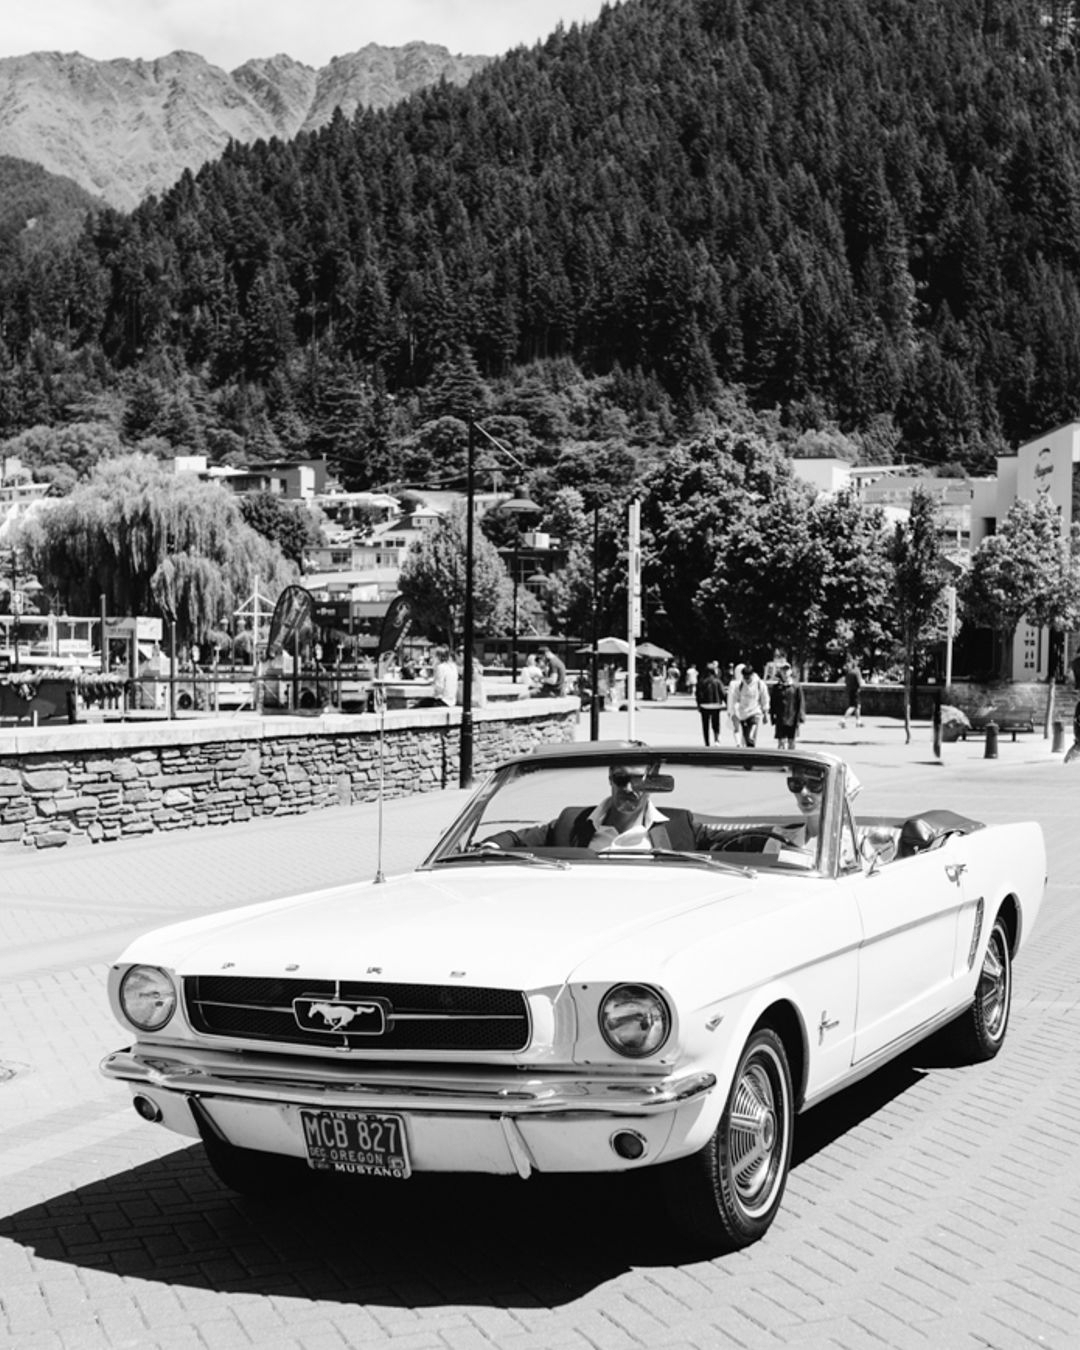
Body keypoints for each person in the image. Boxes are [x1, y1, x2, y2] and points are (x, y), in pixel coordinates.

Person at [482, 762, 707, 852]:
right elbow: (517, 839)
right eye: (621, 779)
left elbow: (724, 841)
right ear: (610, 778)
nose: (628, 788)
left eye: (637, 780)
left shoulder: (679, 826)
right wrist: (488, 849)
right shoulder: (572, 822)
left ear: (652, 782)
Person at [729, 661, 770, 747]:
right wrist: (733, 712)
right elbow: (734, 699)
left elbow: (765, 698)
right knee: (747, 739)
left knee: (752, 736)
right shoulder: (739, 685)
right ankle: (748, 747)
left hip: (755, 712)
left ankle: (751, 737)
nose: (747, 680)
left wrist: (765, 713)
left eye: (748, 678)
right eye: (745, 678)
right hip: (743, 714)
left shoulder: (759, 684)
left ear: (752, 675)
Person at [770, 662, 805, 750]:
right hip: (780, 718)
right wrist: (772, 716)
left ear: (790, 672)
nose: (785, 673)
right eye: (783, 670)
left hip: (792, 718)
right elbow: (773, 703)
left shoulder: (796, 686)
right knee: (781, 743)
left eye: (787, 670)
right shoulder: (776, 687)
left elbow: (800, 702)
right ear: (780, 672)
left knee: (791, 742)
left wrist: (801, 717)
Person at [696, 660, 725, 746]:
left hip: (704, 705)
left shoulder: (701, 681)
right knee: (716, 723)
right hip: (716, 705)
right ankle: (716, 739)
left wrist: (698, 704)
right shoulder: (717, 681)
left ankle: (707, 742)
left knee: (705, 725)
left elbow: (698, 694)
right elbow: (722, 693)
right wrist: (727, 703)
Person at [840, 659, 863, 728]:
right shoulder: (856, 671)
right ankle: (843, 720)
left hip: (850, 691)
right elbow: (859, 682)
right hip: (856, 691)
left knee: (857, 706)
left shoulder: (849, 673)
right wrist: (860, 687)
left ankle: (858, 722)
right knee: (853, 706)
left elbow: (846, 682)